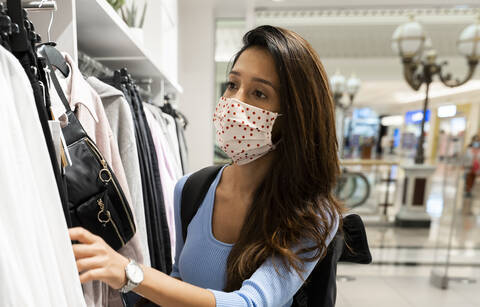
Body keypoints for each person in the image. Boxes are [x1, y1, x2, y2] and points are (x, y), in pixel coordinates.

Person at [69, 25, 343, 307]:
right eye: (233, 85)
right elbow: (180, 279)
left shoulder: (313, 214)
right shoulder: (190, 190)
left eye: (259, 93)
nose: (235, 102)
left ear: (294, 117)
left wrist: (130, 274)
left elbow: (251, 302)